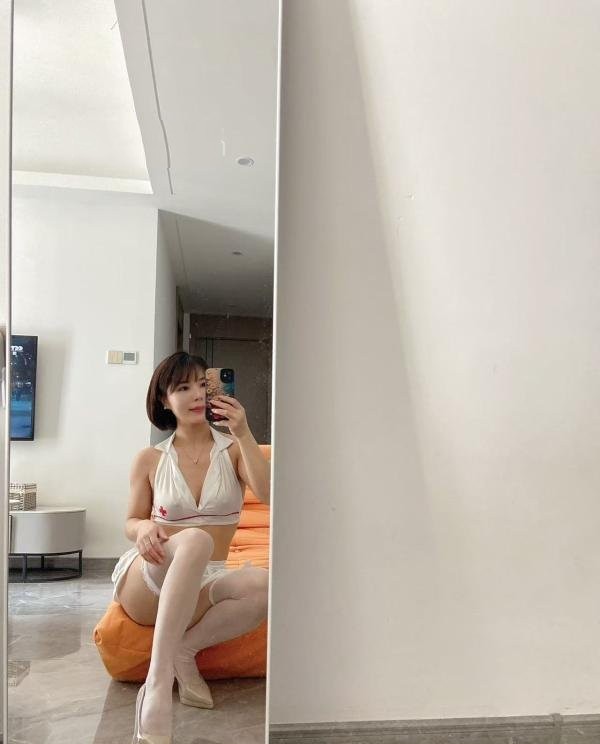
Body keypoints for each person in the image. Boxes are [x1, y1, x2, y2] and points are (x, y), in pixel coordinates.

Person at [110, 351, 270, 744]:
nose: (197, 394)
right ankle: (157, 682)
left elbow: (268, 494)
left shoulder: (234, 450)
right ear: (164, 400)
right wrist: (144, 527)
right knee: (195, 538)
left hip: (204, 579)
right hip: (151, 577)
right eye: (183, 387)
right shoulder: (149, 459)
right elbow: (130, 521)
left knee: (265, 586)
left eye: (203, 384)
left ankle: (184, 651)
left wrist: (244, 433)